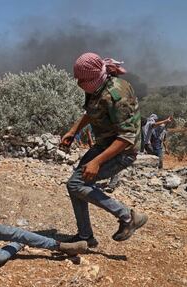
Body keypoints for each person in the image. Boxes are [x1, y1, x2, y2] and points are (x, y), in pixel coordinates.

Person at [60, 52, 148, 248]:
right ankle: (85, 236)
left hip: (122, 152)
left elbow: (126, 138)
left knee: (76, 184)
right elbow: (92, 112)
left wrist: (96, 161)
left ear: (94, 76)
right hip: (104, 145)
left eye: (82, 80)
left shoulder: (116, 95)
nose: (79, 83)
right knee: (74, 185)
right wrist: (73, 131)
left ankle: (128, 217)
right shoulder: (97, 86)